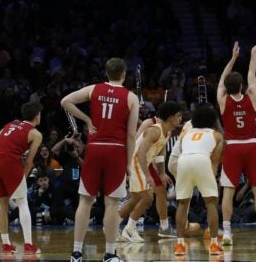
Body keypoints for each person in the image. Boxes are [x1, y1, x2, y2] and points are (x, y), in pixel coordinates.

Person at [61, 57, 140, 262]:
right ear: (124, 75)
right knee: (112, 204)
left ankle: (76, 253)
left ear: (106, 73)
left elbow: (65, 101)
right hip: (116, 150)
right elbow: (131, 135)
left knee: (85, 200)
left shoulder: (94, 89)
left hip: (94, 149)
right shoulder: (131, 97)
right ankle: (109, 254)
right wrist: (130, 163)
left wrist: (87, 120)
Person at [217, 42, 256, 245]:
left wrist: (233, 58)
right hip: (250, 146)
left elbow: (222, 79)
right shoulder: (251, 96)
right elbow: (252, 73)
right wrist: (253, 53)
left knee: (228, 192)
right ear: (241, 87)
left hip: (232, 147)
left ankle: (228, 232)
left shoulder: (223, 100)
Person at [118, 101, 183, 243]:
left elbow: (159, 152)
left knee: (136, 198)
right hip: (136, 162)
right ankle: (129, 230)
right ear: (170, 118)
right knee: (147, 198)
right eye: (178, 116)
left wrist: (161, 172)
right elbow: (140, 152)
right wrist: (147, 175)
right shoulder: (154, 129)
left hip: (143, 163)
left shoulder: (167, 132)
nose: (181, 119)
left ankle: (113, 226)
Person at [0, 101, 44, 255]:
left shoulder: (11, 124)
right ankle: (28, 244)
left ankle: (6, 244)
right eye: (40, 114)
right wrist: (22, 178)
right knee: (22, 201)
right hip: (9, 162)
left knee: (2, 204)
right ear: (37, 116)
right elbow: (28, 161)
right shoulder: (36, 134)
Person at [170, 104, 224, 256]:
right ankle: (213, 244)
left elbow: (182, 150)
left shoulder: (186, 133)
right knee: (211, 203)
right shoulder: (216, 135)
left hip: (184, 161)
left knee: (182, 203)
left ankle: (180, 245)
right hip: (202, 160)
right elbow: (214, 162)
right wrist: (210, 180)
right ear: (213, 121)